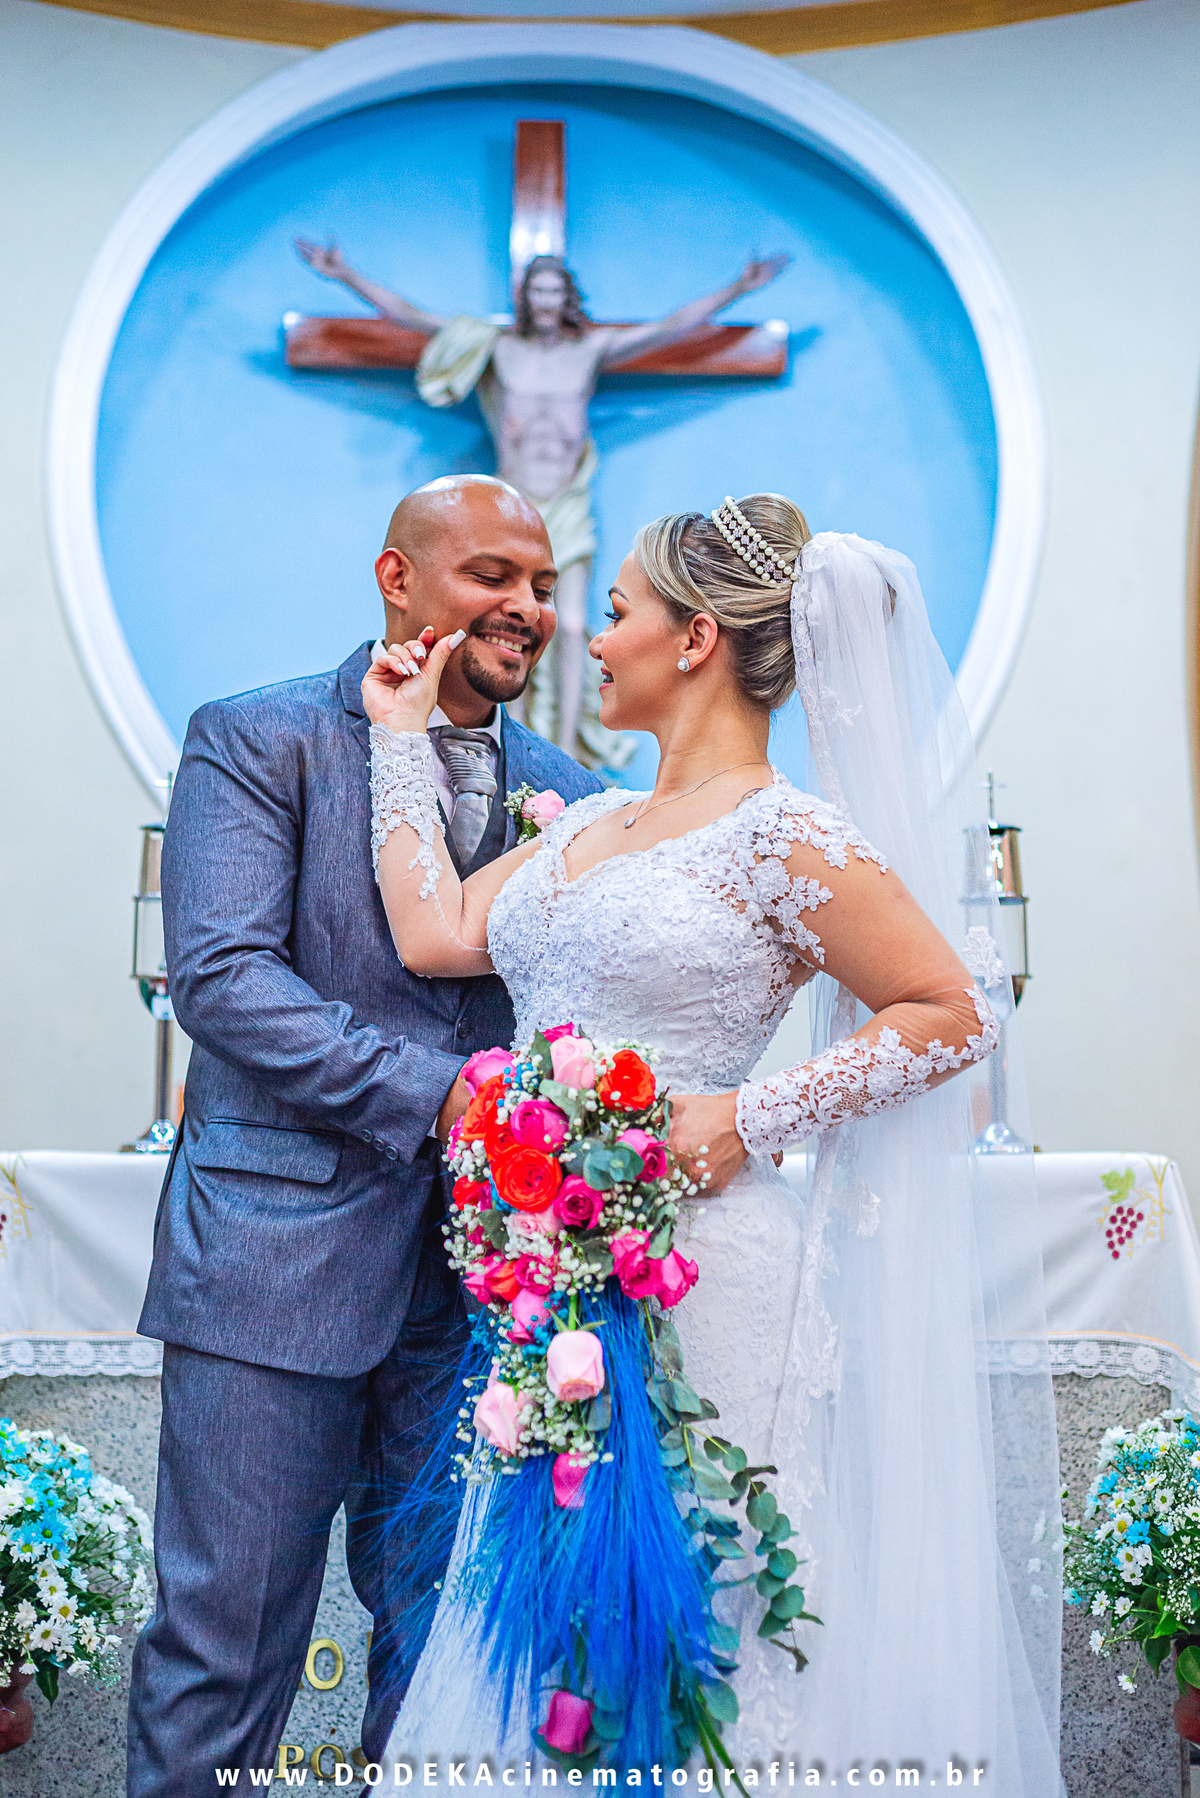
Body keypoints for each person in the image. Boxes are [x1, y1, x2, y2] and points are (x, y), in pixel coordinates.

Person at [358, 494, 1063, 1785]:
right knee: (556, 1620)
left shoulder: (781, 831)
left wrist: (749, 1114)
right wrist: (399, 738)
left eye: (616, 609)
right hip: (553, 1284)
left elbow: (956, 1005)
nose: (590, 635)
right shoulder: (584, 821)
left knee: (713, 1598)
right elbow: (434, 930)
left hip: (711, 1276)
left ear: (693, 640)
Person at [127, 475, 603, 1796]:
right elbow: (223, 979)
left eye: (542, 584)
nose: (525, 607)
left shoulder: (571, 792)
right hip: (271, 1266)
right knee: (222, 1654)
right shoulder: (258, 737)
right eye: (491, 575)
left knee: (447, 1658)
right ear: (397, 578)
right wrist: (444, 1097)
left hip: (480, 1295)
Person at [295, 240, 788, 765]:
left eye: (555, 291)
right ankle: (514, 740)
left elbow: (667, 329)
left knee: (571, 625)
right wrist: (345, 274)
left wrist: (739, 288)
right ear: (525, 297)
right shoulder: (499, 348)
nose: (547, 300)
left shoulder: (589, 349)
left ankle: (568, 749)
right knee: (506, 625)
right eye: (537, 290)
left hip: (567, 501)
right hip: (514, 509)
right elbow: (417, 319)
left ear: (566, 297)